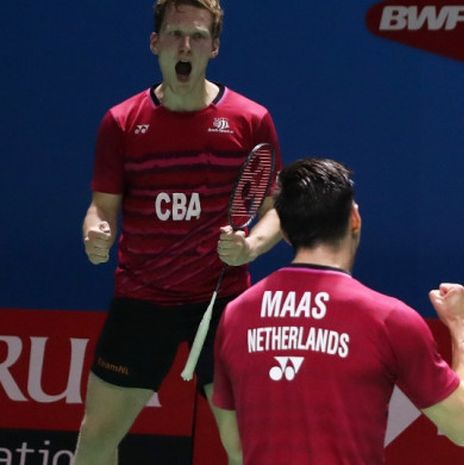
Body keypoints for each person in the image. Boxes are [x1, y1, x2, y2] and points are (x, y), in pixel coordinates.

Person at [78, 1, 282, 464]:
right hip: (142, 299)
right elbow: (101, 208)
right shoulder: (122, 122)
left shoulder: (250, 120)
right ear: (155, 44)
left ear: (214, 47)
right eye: (174, 35)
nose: (185, 46)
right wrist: (97, 233)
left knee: (246, 444)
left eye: (196, 36)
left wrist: (252, 245)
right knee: (95, 442)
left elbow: (275, 211)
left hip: (221, 301)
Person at [213, 158, 464, 465]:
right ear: (354, 219)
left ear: (287, 235)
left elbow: (236, 448)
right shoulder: (388, 320)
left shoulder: (236, 315)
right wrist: (462, 324)